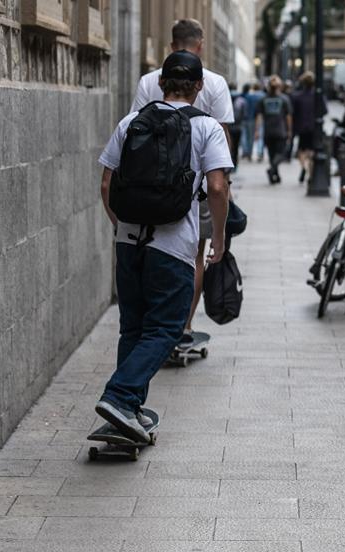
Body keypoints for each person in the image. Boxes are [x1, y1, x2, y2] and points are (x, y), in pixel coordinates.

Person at [96, 50, 232, 441]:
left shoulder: (130, 121)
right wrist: (218, 239)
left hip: (128, 239)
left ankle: (127, 410)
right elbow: (218, 187)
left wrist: (119, 224)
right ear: (199, 86)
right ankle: (121, 397)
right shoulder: (206, 127)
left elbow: (107, 183)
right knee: (167, 327)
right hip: (173, 244)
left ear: (160, 83)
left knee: (133, 327)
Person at [130, 18, 234, 352]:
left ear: (171, 44)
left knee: (149, 249)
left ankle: (155, 324)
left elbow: (134, 127)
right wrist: (224, 183)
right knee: (196, 255)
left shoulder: (148, 81)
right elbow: (223, 135)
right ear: (200, 44)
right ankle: (183, 327)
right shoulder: (214, 83)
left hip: (148, 184)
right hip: (199, 185)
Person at [289, 71, 327, 184]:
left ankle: (304, 168)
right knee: (312, 151)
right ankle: (310, 173)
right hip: (314, 127)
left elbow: (292, 112)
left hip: (301, 127)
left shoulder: (297, 96)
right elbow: (324, 111)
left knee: (301, 150)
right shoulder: (318, 95)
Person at [256, 76, 293, 184]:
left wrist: (257, 130)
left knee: (272, 154)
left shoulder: (263, 99)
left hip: (268, 130)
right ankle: (272, 170)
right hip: (280, 130)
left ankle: (275, 175)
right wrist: (290, 130)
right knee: (281, 153)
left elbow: (259, 116)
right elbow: (288, 117)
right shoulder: (284, 99)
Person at [229, 82, 247, 170]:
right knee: (236, 147)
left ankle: (229, 164)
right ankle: (235, 165)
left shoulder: (226, 98)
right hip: (238, 127)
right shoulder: (241, 100)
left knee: (229, 146)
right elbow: (244, 114)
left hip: (228, 127)